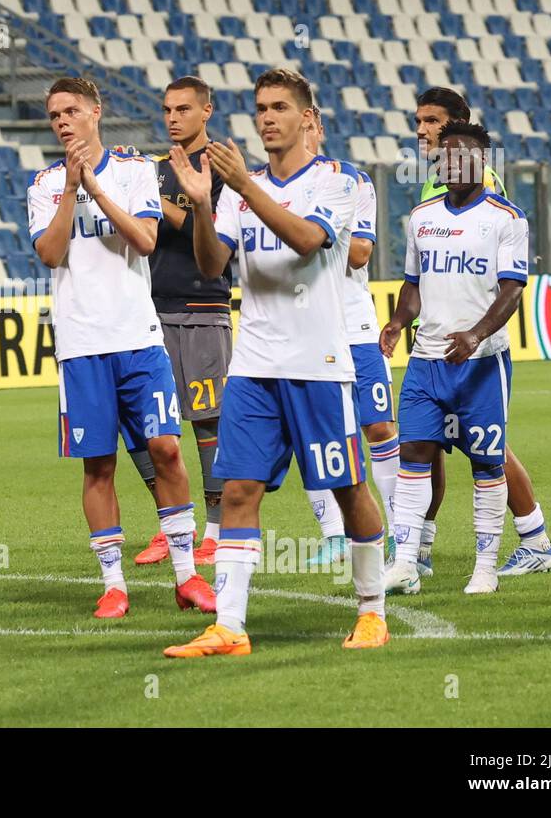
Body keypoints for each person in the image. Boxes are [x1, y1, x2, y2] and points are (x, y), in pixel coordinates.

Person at [165, 69, 388, 658]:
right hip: (255, 366)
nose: (267, 118)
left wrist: (242, 187)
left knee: (347, 487)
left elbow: (306, 241)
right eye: (261, 108)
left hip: (319, 364)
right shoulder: (239, 189)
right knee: (238, 490)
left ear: (305, 118)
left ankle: (372, 611)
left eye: (279, 107)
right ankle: (230, 626)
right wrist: (205, 204)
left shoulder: (338, 183)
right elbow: (213, 266)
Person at [28, 76, 214, 619]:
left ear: (95, 112)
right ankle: (114, 585)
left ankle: (187, 576)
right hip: (81, 346)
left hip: (138, 339)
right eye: (54, 114)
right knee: (98, 465)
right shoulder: (43, 184)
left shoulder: (135, 171)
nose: (61, 121)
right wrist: (69, 187)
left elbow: (146, 240)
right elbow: (51, 253)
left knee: (167, 450)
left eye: (69, 111)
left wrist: (96, 187)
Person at [413, 87, 551, 577]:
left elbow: (494, 259)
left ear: (458, 124)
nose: (422, 131)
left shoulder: (476, 181)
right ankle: (421, 547)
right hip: (439, 342)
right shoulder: (435, 185)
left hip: (471, 345)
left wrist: (474, 328)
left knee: (483, 448)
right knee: (432, 442)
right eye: (419, 121)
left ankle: (532, 538)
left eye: (432, 121)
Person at [381, 122, 527, 596]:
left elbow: (513, 289)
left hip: (482, 363)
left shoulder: (507, 219)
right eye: (446, 156)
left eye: (464, 155)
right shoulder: (421, 216)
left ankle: (484, 566)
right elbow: (412, 283)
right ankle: (404, 561)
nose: (454, 163)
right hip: (426, 363)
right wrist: (399, 321)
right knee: (413, 455)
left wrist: (477, 333)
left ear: (484, 161)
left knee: (486, 463)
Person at [130, 76, 232, 569]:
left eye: (183, 109)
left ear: (206, 111)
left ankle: (214, 531)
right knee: (150, 426)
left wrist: (153, 196)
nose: (172, 118)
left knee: (207, 423)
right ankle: (174, 526)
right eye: (168, 110)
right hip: (151, 311)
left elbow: (199, 228)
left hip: (202, 310)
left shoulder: (221, 168)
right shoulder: (156, 169)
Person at [301, 107, 400, 568]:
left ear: (319, 127)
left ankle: (397, 529)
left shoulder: (353, 182)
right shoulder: (266, 190)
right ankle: (334, 534)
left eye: (307, 127)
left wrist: (303, 234)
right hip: (304, 327)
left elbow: (359, 253)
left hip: (356, 325)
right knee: (317, 433)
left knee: (378, 426)